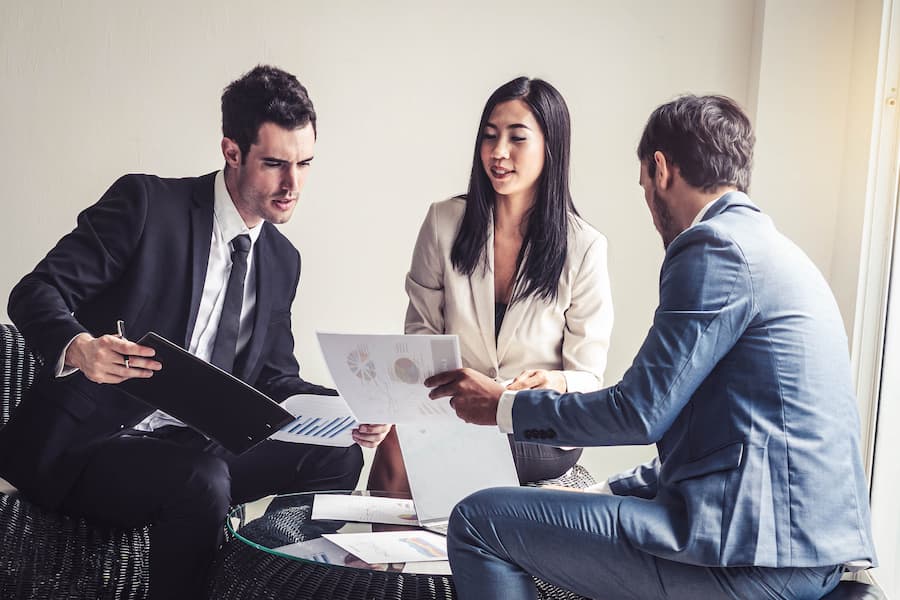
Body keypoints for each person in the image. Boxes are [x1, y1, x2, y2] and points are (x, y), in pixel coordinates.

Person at [426, 94, 877, 599]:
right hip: (808, 553)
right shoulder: (775, 250)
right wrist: (606, 490)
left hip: (746, 560)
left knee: (477, 521)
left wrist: (502, 407)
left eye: (642, 185)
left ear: (660, 169)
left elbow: (640, 412)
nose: (649, 206)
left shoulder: (713, 247)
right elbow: (724, 439)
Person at [0, 65, 389, 600]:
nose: (292, 184)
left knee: (340, 456)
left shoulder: (281, 259)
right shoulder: (146, 206)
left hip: (200, 446)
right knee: (200, 480)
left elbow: (276, 378)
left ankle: (253, 568)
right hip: (94, 445)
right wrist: (81, 348)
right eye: (275, 164)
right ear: (232, 152)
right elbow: (35, 291)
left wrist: (351, 408)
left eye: (304, 164)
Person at [368, 77, 613, 491]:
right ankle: (374, 557)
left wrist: (555, 381)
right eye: (489, 136)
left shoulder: (584, 246)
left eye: (517, 138)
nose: (498, 153)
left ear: (550, 147)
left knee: (424, 445)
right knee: (396, 439)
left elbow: (588, 375)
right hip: (452, 409)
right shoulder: (444, 223)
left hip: (537, 425)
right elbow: (420, 333)